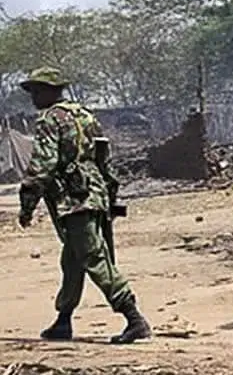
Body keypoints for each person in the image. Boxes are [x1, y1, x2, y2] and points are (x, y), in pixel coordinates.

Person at [18, 66, 151, 344]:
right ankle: (63, 320)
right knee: (72, 260)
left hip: (75, 200)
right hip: (95, 194)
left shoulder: (49, 119)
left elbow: (43, 164)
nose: (33, 97)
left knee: (93, 257)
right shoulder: (85, 115)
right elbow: (104, 158)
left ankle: (133, 317)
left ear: (50, 91)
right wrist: (109, 195)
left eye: (36, 91)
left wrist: (27, 203)